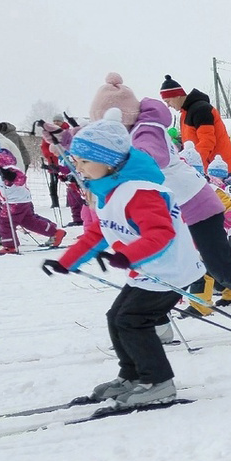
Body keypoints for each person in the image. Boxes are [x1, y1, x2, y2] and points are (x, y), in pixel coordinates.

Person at [92, 75, 231, 333]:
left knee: (222, 267)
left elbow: (150, 157)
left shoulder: (147, 131)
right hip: (177, 211)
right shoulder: (133, 132)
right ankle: (157, 324)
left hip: (198, 205)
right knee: (163, 265)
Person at [42, 110, 205, 409]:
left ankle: (158, 381)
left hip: (171, 271)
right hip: (149, 270)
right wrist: (67, 262)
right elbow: (97, 234)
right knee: (117, 318)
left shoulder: (141, 192)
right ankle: (132, 375)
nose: (79, 168)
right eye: (77, 162)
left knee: (132, 320)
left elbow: (160, 234)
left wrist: (126, 255)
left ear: (109, 161)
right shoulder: (111, 191)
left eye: (85, 162)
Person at [0, 142, 63, 254]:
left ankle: (10, 246)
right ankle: (55, 233)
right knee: (28, 222)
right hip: (12, 201)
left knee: (5, 221)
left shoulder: (7, 168)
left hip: (17, 200)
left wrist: (10, 176)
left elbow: (21, 179)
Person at [159, 76, 231, 175]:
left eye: (168, 101)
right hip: (206, 168)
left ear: (177, 95)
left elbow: (208, 141)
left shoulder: (201, 110)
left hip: (218, 169)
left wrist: (193, 164)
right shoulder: (185, 114)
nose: (168, 105)